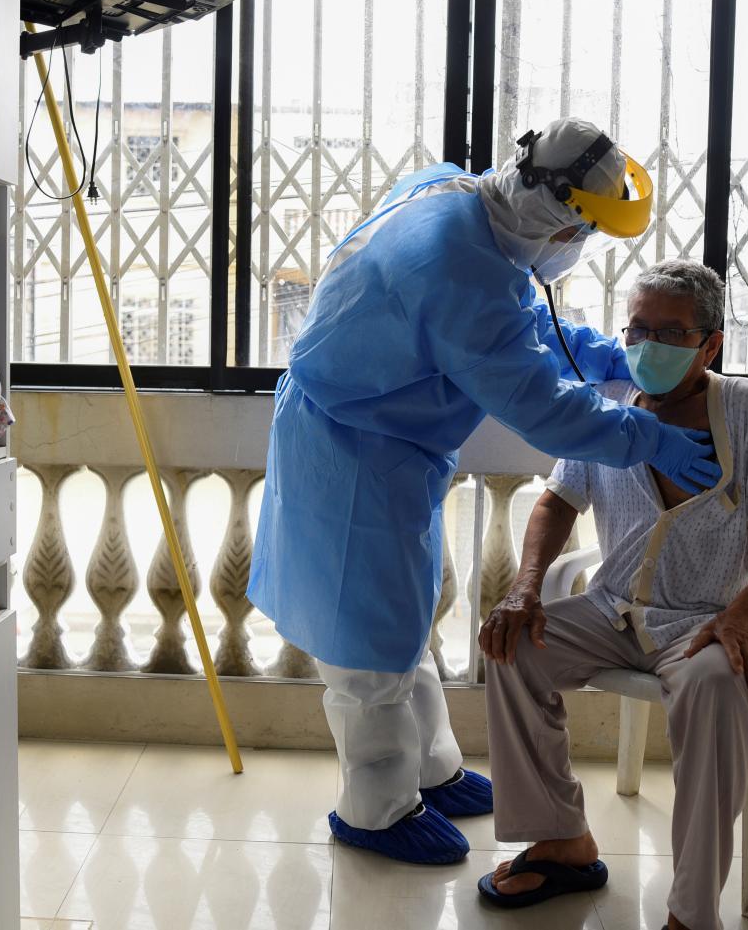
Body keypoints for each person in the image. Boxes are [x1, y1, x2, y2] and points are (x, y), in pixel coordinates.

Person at [246, 119, 723, 866]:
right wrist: (647, 436)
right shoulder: (459, 272)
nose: (579, 250)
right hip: (348, 453)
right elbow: (543, 406)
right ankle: (373, 805)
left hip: (385, 445)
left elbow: (522, 317)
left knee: (407, 622)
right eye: (583, 234)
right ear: (559, 218)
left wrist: (608, 354)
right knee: (368, 647)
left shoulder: (461, 195)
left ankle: (430, 768)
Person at [475, 260, 748, 929]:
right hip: (613, 610)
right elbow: (556, 500)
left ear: (710, 343)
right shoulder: (607, 402)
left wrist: (745, 614)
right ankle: (562, 838)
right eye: (636, 329)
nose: (645, 346)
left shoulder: (747, 408)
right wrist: (524, 589)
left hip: (706, 623)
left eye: (668, 332)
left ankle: (691, 912)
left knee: (718, 687)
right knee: (511, 647)